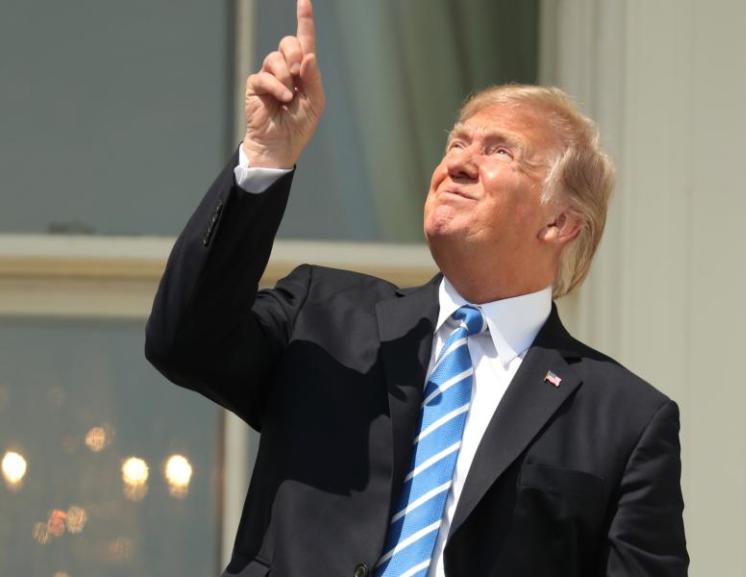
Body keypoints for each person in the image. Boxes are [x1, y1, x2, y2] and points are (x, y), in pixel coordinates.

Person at [145, 1, 689, 575]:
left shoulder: (624, 420)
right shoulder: (324, 317)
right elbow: (184, 340)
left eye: (498, 151)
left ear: (560, 223)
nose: (458, 163)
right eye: (456, 144)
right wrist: (265, 158)